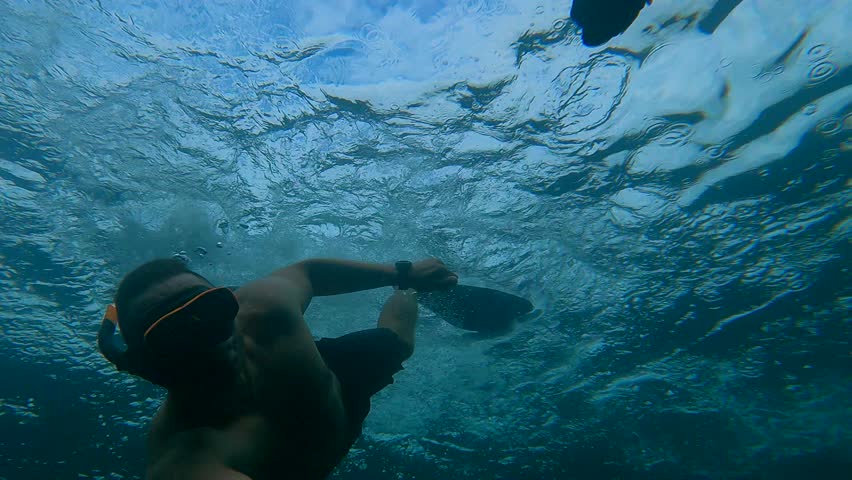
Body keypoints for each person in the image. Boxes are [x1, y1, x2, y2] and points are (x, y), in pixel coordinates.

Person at [97, 257, 459, 479]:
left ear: (232, 303)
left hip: (334, 382)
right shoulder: (186, 457)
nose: (210, 337)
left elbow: (309, 272)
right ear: (150, 366)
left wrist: (404, 273)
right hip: (318, 412)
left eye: (212, 311)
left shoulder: (264, 305)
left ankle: (411, 293)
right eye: (175, 334)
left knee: (398, 343)